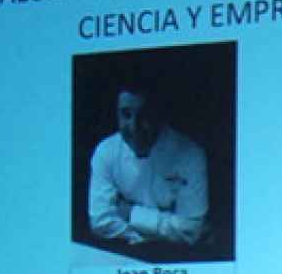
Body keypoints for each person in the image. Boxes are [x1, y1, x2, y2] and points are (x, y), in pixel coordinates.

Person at [87, 83, 210, 248]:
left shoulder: (191, 155)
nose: (134, 127)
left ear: (160, 115)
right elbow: (100, 221)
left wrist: (130, 213)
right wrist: (149, 236)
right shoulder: (106, 152)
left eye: (144, 115)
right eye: (126, 114)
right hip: (125, 253)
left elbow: (193, 229)